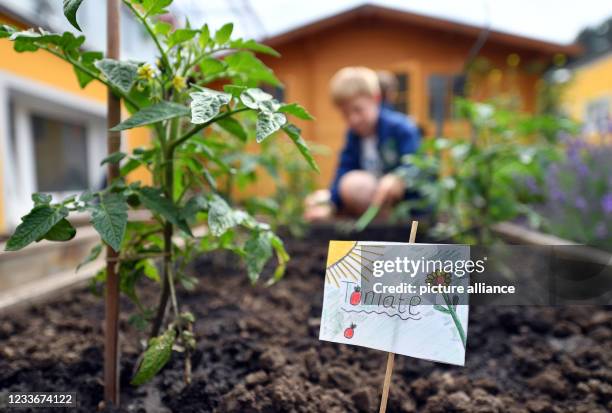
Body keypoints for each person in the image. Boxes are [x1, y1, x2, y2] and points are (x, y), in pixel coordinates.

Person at [304, 66, 421, 221]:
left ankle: (391, 224)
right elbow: (344, 170)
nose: (353, 119)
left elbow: (419, 163)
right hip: (372, 201)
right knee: (318, 198)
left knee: (353, 185)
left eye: (358, 110)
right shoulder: (354, 136)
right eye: (345, 114)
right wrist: (330, 204)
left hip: (406, 204)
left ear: (376, 99)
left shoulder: (401, 128)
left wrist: (399, 177)